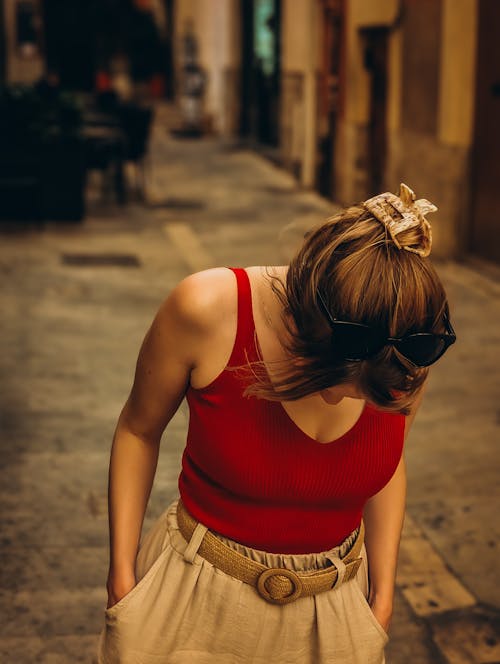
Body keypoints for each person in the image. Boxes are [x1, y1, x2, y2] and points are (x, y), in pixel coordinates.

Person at [97, 184, 456, 664]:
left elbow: (387, 466)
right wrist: (122, 573)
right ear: (303, 324)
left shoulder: (407, 351)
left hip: (335, 614)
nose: (341, 398)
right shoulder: (206, 308)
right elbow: (139, 430)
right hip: (191, 599)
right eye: (334, 377)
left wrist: (383, 595)